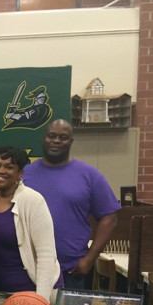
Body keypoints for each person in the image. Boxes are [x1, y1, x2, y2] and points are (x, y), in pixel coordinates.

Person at [23, 119, 120, 289]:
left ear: (71, 141)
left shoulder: (90, 175)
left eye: (63, 137)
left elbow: (109, 218)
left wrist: (89, 259)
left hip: (71, 272)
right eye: (51, 136)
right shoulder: (25, 175)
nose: (56, 141)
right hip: (28, 270)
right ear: (44, 138)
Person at [0, 146, 62, 305]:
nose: (0, 171)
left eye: (9, 167)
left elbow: (46, 255)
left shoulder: (33, 200)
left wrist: (41, 302)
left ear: (20, 174)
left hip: (30, 291)